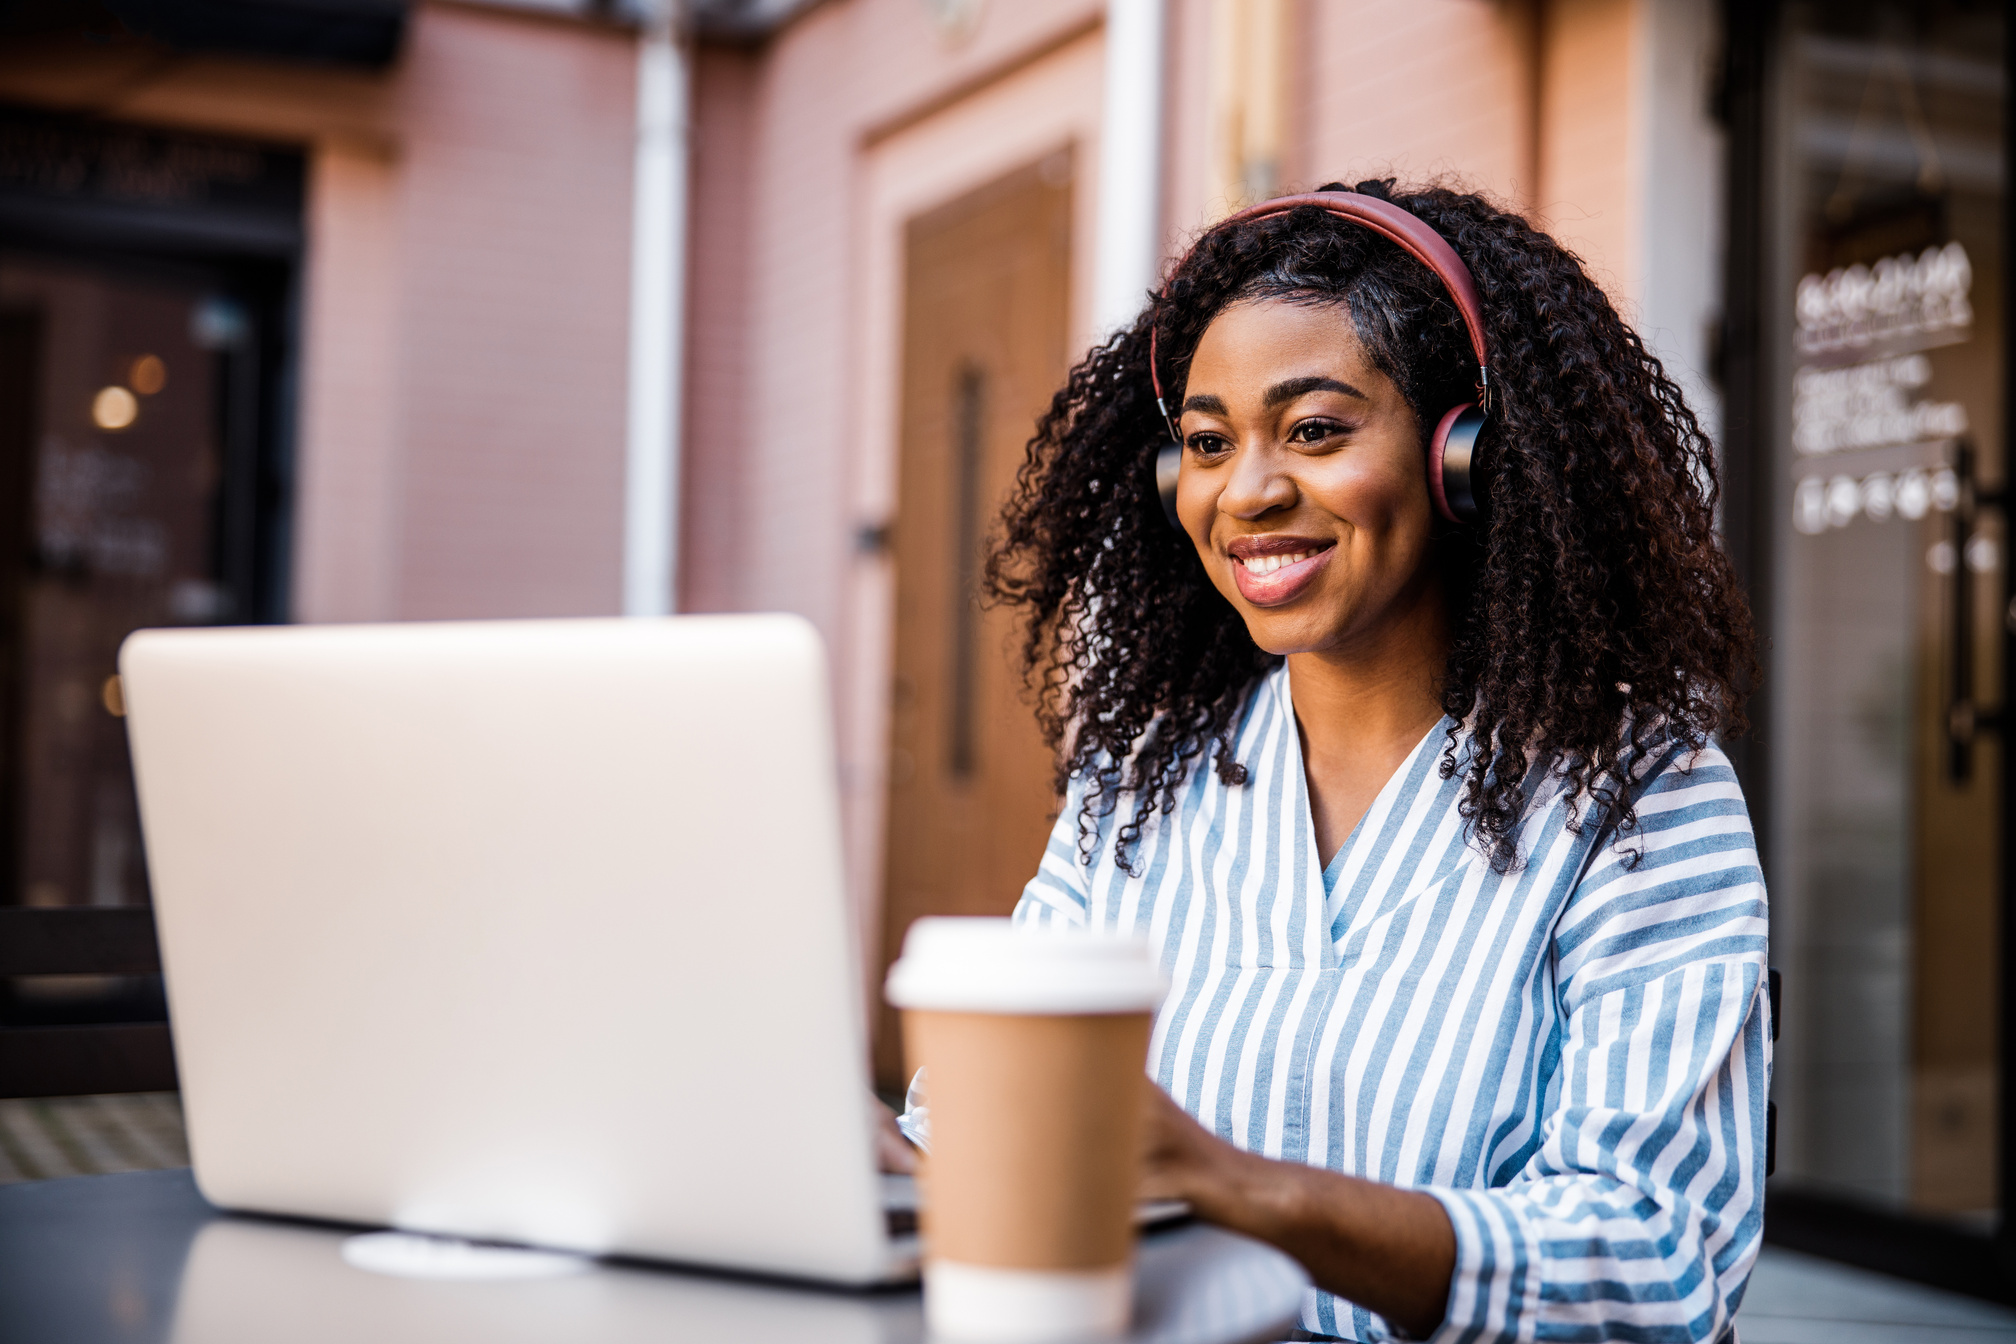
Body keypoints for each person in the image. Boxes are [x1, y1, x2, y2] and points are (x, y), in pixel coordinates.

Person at [986, 179, 1768, 1343]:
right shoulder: (1141, 784)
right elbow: (985, 1124)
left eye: (1314, 429)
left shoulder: (1639, 793)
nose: (1247, 491)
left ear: (1463, 454)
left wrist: (1248, 1190)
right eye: (1207, 443)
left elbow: (1657, 1262)